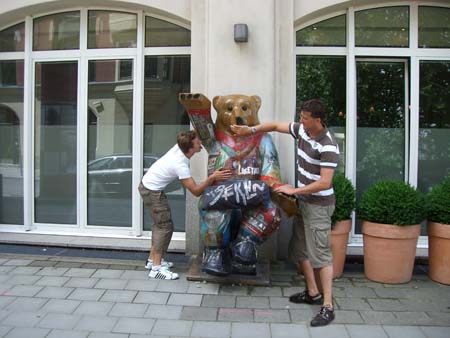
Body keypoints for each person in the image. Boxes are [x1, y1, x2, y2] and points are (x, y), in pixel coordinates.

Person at [230, 99, 339, 326]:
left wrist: (294, 190)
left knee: (321, 256)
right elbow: (275, 126)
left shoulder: (328, 145)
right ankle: (312, 293)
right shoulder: (302, 131)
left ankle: (328, 306)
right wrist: (250, 130)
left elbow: (324, 182)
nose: (301, 120)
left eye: (305, 117)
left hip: (318, 207)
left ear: (317, 120)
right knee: (299, 251)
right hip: (302, 204)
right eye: (301, 116)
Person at [139, 130, 232, 280]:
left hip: (150, 187)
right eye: (197, 143)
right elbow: (195, 191)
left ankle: (152, 261)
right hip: (152, 191)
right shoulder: (180, 164)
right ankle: (156, 269)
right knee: (164, 227)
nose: (200, 143)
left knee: (159, 225)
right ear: (190, 147)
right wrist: (213, 177)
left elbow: (191, 134)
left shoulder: (180, 147)